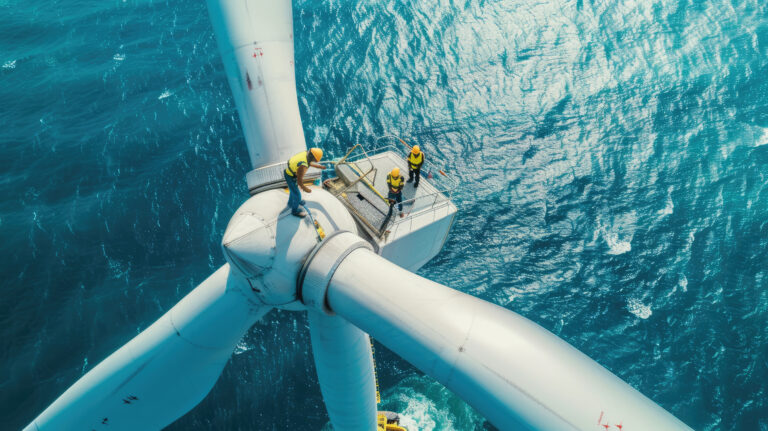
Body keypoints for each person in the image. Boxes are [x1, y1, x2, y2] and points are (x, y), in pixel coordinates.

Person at [285, 147, 325, 217]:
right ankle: (294, 211)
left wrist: (320, 167)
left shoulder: (306, 154)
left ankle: (290, 203)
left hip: (289, 174)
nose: (316, 162)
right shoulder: (303, 166)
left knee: (293, 191)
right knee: (297, 195)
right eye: (315, 160)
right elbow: (299, 181)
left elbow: (309, 163)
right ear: (312, 157)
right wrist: (306, 189)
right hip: (291, 177)